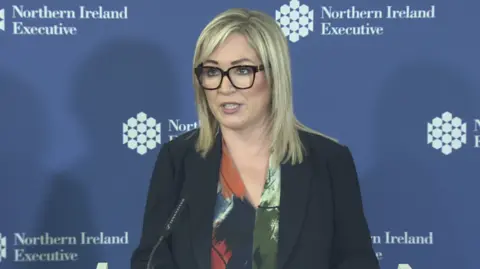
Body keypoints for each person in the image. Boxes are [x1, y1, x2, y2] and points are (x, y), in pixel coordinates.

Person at [131, 8, 379, 269]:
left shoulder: (329, 161)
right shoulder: (178, 159)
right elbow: (150, 258)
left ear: (274, 75)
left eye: (241, 70)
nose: (225, 88)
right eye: (213, 72)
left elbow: (357, 261)